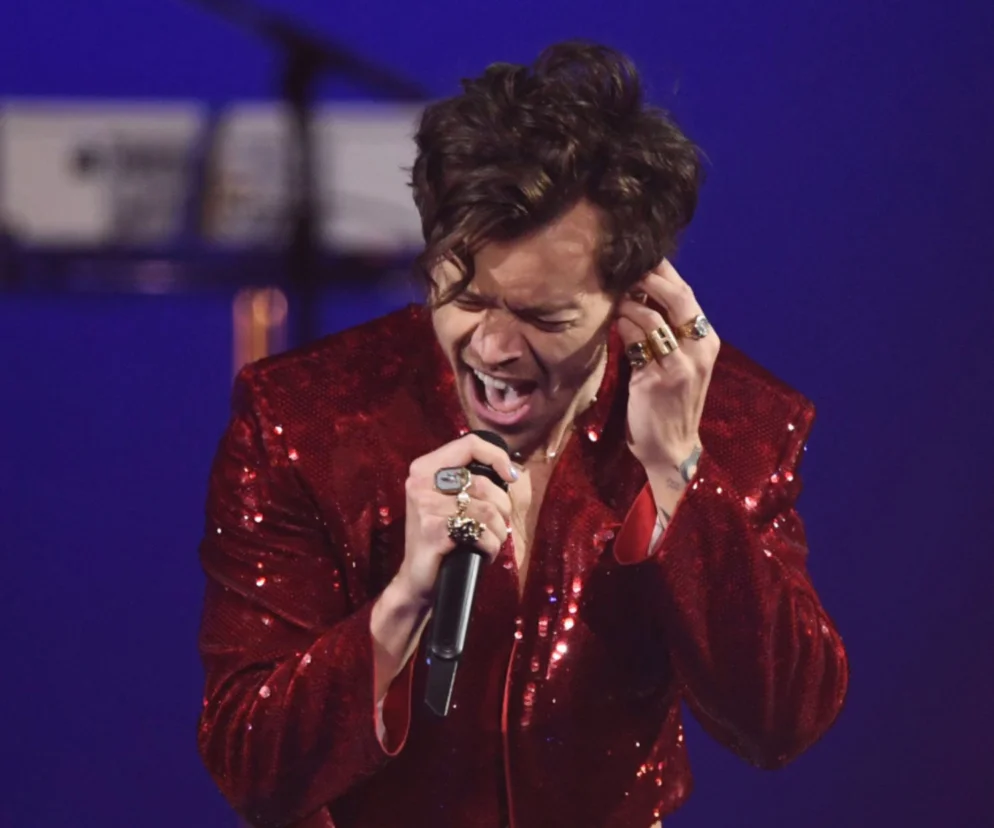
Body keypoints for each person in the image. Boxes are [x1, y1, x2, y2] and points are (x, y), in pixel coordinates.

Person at [196, 41, 848, 828]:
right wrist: (402, 603)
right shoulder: (306, 418)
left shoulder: (735, 424)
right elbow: (253, 768)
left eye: (544, 316)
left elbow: (782, 722)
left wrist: (680, 471)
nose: (494, 348)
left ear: (637, 297)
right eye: (466, 299)